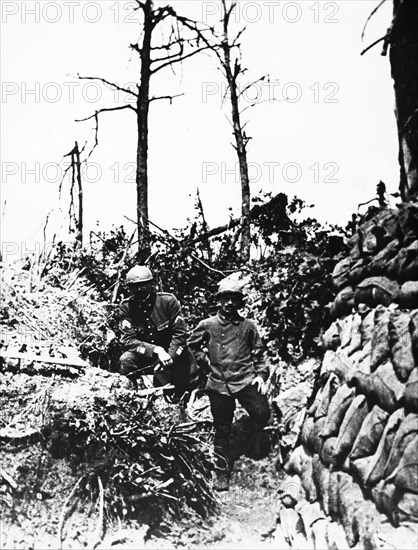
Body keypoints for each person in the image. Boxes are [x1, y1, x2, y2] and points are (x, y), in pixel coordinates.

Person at [188, 278, 270, 491]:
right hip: (218, 383)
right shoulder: (207, 325)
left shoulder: (248, 327)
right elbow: (192, 344)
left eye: (234, 299)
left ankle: (250, 440)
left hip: (244, 380)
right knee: (222, 428)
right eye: (225, 299)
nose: (230, 304)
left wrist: (261, 375)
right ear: (219, 301)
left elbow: (259, 353)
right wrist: (205, 364)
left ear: (239, 303)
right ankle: (221, 471)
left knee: (262, 412)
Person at [118, 265, 193, 399]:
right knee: (126, 360)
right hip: (147, 354)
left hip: (170, 353)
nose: (139, 289)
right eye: (134, 286)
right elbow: (128, 341)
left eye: (143, 285)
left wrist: (169, 356)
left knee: (184, 371)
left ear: (152, 284)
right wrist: (156, 350)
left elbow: (180, 335)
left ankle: (182, 394)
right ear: (129, 288)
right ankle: (132, 398)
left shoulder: (167, 301)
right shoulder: (126, 307)